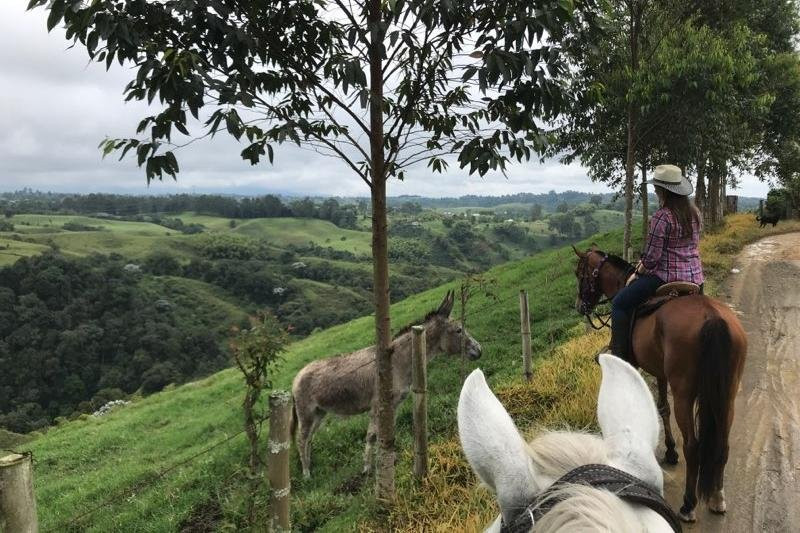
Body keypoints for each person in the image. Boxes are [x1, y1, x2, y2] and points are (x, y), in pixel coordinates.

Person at [609, 164, 705, 362]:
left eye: (657, 187)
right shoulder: (695, 213)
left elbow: (652, 259)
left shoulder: (662, 217)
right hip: (695, 279)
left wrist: (638, 272)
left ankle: (620, 358)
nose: (654, 190)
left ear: (664, 190)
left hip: (665, 278)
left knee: (619, 304)